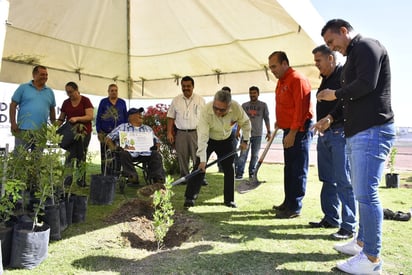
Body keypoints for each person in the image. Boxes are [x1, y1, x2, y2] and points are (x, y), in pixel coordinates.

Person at [317, 19, 395, 274]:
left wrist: (334, 94)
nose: (332, 48)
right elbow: (350, 97)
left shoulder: (367, 47)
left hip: (372, 131)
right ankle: (361, 242)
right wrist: (330, 117)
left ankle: (371, 259)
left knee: (366, 194)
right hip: (358, 133)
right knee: (362, 192)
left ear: (343, 31)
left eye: (331, 42)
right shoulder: (352, 57)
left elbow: (366, 85)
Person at [309, 45, 357, 240]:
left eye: (318, 61)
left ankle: (349, 225)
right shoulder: (325, 79)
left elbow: (346, 102)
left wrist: (330, 119)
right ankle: (330, 217)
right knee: (327, 179)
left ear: (330, 58)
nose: (316, 65)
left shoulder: (344, 75)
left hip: (339, 134)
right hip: (325, 135)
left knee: (343, 180)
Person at [184, 90, 251, 209]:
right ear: (214, 103)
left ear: (229, 106)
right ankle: (190, 198)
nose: (218, 112)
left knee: (229, 169)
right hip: (209, 138)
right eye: (216, 108)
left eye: (222, 110)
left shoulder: (236, 107)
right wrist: (203, 161)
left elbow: (245, 123)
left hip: (227, 139)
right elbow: (202, 138)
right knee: (199, 167)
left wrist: (245, 140)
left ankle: (229, 200)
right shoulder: (206, 111)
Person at [268, 51, 313, 219]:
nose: (272, 70)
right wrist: (279, 122)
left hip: (299, 131)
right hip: (287, 129)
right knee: (289, 169)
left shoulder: (297, 79)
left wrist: (293, 132)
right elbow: (285, 105)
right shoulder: (281, 82)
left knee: (298, 169)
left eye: (274, 66)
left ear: (285, 63)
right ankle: (287, 202)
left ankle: (295, 207)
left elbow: (301, 109)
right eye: (270, 67)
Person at [105, 107, 165, 184]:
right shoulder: (122, 127)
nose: (141, 115)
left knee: (156, 154)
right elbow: (108, 138)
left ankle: (158, 178)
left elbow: (157, 141)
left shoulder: (147, 129)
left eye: (141, 113)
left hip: (146, 153)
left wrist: (157, 147)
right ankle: (132, 176)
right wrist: (113, 148)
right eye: (138, 114)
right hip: (128, 153)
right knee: (123, 153)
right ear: (130, 117)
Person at [167, 76, 206, 184]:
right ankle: (184, 177)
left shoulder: (200, 100)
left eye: (188, 86)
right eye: (184, 86)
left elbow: (205, 118)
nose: (186, 88)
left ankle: (199, 177)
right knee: (182, 156)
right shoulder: (176, 100)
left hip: (196, 132)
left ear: (193, 86)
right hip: (181, 133)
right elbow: (170, 117)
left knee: (197, 156)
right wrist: (169, 132)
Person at [9, 65, 56, 150]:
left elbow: (52, 109)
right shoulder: (23, 87)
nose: (45, 77)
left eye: (46, 75)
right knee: (20, 157)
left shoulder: (50, 92)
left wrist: (53, 127)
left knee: (38, 159)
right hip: (22, 129)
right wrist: (13, 123)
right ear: (34, 75)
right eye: (42, 74)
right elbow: (13, 105)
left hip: (41, 131)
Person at [57, 82, 94, 187]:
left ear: (76, 90)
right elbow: (62, 117)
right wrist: (55, 126)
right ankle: (67, 181)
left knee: (81, 156)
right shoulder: (66, 103)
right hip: (70, 134)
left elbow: (90, 116)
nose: (69, 94)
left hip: (84, 133)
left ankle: (81, 181)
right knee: (69, 156)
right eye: (67, 92)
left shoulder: (85, 101)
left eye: (71, 92)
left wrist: (77, 118)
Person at [235, 86, 271, 179]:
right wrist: (238, 131)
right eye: (251, 93)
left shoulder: (263, 105)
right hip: (246, 135)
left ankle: (252, 173)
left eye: (254, 93)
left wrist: (269, 131)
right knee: (243, 154)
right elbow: (240, 119)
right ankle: (239, 174)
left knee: (255, 155)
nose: (252, 95)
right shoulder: (244, 105)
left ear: (258, 94)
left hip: (258, 135)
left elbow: (266, 118)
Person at [96, 84, 128, 174]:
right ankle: (105, 173)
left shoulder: (122, 102)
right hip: (105, 132)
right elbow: (98, 117)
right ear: (108, 92)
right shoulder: (103, 102)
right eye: (112, 90)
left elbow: (125, 117)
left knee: (118, 152)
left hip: (119, 133)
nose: (114, 92)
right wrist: (99, 131)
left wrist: (126, 130)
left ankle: (117, 172)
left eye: (115, 90)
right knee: (105, 154)